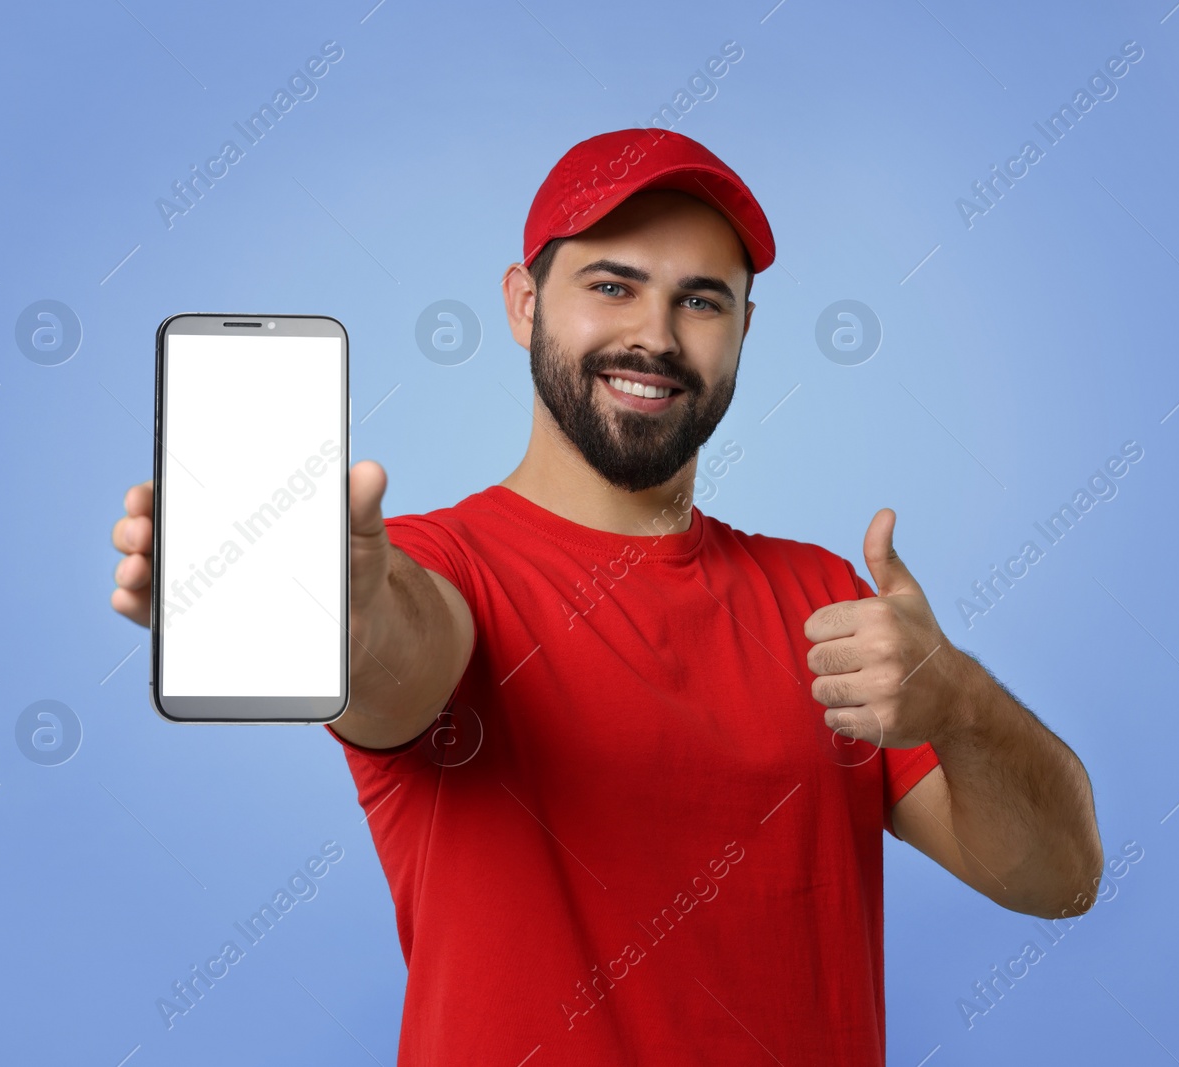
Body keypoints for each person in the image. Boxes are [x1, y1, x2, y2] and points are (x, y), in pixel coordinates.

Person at [109, 128, 1102, 1064]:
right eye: (612, 285)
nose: (655, 336)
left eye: (701, 300)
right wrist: (346, 621)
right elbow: (401, 655)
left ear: (743, 329)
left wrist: (960, 700)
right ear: (522, 301)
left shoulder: (822, 598)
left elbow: (1062, 880)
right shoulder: (433, 567)